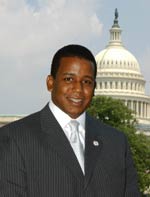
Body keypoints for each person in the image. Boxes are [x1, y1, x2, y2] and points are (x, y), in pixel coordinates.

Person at [0, 44, 140, 196]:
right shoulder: (14, 138)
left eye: (86, 82)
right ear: (50, 83)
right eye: (68, 79)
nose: (78, 89)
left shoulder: (117, 143)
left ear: (94, 88)